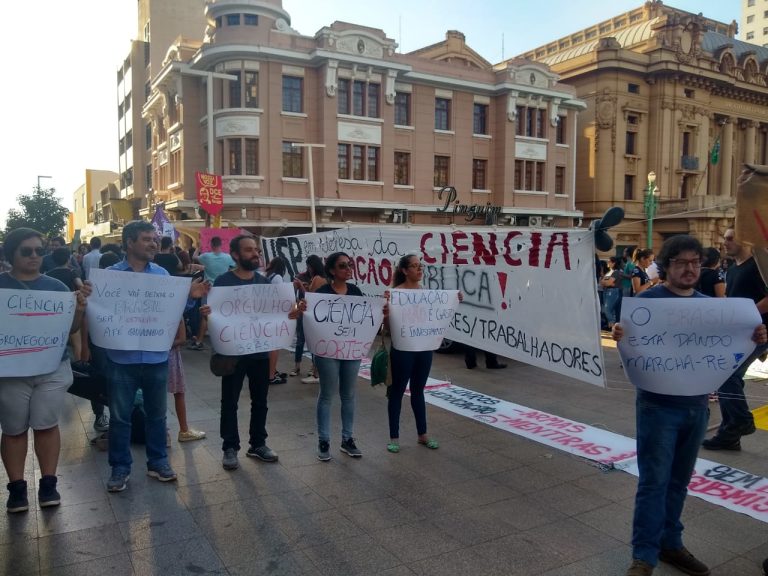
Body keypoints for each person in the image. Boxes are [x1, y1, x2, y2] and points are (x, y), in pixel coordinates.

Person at [612, 235, 767, 576]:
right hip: (657, 406)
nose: (689, 268)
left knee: (679, 482)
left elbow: (736, 347)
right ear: (666, 266)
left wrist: (756, 338)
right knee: (654, 482)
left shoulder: (708, 307)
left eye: (695, 262)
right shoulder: (648, 302)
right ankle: (644, 556)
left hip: (697, 408)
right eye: (681, 262)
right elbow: (629, 347)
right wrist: (621, 335)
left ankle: (671, 543)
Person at [98, 220, 208, 493]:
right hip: (122, 359)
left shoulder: (161, 273)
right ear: (129, 242)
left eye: (155, 239)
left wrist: (191, 298)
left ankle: (158, 462)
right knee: (121, 418)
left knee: (157, 415)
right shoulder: (110, 276)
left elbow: (172, 309)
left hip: (157, 357)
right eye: (147, 238)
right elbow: (99, 311)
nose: (153, 243)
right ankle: (120, 468)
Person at [0, 228, 89, 512]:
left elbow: (70, 329)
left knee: (47, 425)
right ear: (11, 253)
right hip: (10, 373)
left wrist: (78, 310)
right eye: (27, 251)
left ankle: (48, 484)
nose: (35, 256)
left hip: (52, 368)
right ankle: (17, 489)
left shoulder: (57, 288)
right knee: (13, 429)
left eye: (40, 250)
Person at [200, 235, 295, 471]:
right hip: (232, 353)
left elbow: (277, 315)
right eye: (249, 250)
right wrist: (207, 313)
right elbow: (214, 315)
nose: (256, 254)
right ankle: (230, 447)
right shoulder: (222, 283)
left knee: (260, 401)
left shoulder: (264, 284)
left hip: (259, 352)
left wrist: (292, 313)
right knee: (229, 401)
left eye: (256, 250)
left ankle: (258, 444)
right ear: (235, 255)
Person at [702, 228, 768, 451]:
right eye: (724, 239)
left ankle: (740, 421)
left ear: (745, 239)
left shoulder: (759, 265)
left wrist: (748, 313)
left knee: (727, 374)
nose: (725, 243)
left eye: (730, 238)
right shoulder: (732, 268)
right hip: (740, 331)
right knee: (728, 376)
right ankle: (730, 434)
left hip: (760, 331)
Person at [303, 252, 365, 461]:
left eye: (350, 265)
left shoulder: (356, 291)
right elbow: (309, 317)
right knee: (327, 395)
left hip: (351, 351)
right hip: (327, 351)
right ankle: (324, 440)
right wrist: (301, 308)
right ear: (331, 270)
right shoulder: (322, 293)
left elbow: (365, 319)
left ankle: (347, 439)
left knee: (348, 395)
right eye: (342, 266)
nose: (348, 269)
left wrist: (381, 313)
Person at [386, 254, 450, 453]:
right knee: (396, 392)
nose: (419, 269)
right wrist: (387, 313)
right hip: (403, 350)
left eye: (420, 266)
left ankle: (422, 434)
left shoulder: (426, 294)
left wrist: (454, 300)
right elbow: (388, 328)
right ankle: (394, 437)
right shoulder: (395, 294)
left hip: (423, 350)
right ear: (405, 271)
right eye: (414, 266)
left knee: (418, 391)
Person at [190, 236, 235, 351]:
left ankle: (199, 341)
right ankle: (225, 340)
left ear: (211, 245)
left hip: (208, 289)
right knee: (223, 314)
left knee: (206, 316)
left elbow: (194, 257)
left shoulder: (206, 256)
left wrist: (199, 247)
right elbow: (235, 268)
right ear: (221, 245)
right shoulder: (228, 257)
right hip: (223, 290)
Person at [168, 320, 206, 443]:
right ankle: (183, 430)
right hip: (171, 356)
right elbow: (182, 338)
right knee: (179, 393)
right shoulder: (176, 310)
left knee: (154, 395)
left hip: (154, 356)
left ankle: (161, 432)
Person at [296, 255, 327, 383]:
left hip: (316, 315)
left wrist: (301, 286)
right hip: (320, 314)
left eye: (309, 267)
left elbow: (311, 296)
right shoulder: (321, 278)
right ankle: (315, 371)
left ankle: (316, 373)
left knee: (315, 343)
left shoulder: (318, 278)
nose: (308, 269)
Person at [264, 257, 288, 385]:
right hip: (274, 316)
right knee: (274, 346)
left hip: (266, 315)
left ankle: (271, 370)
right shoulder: (277, 277)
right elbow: (281, 296)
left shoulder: (268, 275)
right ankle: (271, 375)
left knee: (270, 346)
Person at [601, 256, 623, 328]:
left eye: (609, 261)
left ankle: (612, 325)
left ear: (614, 263)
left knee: (607, 309)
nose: (608, 263)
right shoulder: (610, 272)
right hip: (607, 291)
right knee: (608, 309)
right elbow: (602, 282)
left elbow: (607, 283)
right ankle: (611, 326)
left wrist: (606, 282)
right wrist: (606, 282)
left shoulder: (616, 272)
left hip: (613, 291)